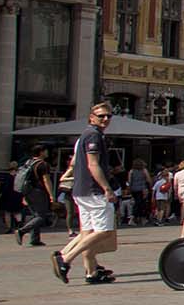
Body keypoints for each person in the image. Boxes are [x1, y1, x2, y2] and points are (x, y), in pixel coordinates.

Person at [53, 103, 118, 285]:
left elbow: (74, 162)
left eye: (108, 116)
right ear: (91, 117)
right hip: (93, 190)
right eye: (101, 116)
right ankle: (65, 258)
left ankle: (91, 271)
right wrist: (107, 188)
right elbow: (93, 164)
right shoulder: (93, 136)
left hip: (81, 190)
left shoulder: (84, 136)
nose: (105, 119)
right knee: (104, 231)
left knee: (87, 233)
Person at [14, 145, 56, 247]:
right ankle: (22, 231)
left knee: (35, 215)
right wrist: (51, 195)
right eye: (46, 151)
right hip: (38, 192)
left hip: (28, 191)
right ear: (41, 152)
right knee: (41, 216)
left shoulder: (29, 162)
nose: (47, 153)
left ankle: (35, 239)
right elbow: (46, 180)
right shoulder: (43, 164)